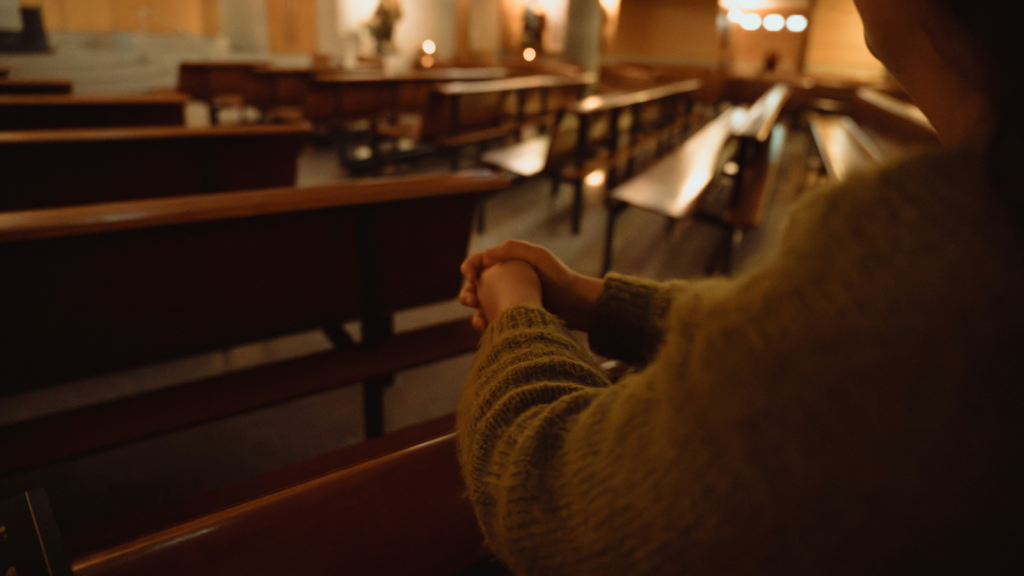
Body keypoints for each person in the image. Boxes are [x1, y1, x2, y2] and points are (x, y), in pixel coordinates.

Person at [456, 0, 1023, 573]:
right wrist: (590, 298)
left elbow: (547, 496)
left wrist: (515, 313)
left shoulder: (939, 250)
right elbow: (786, 340)